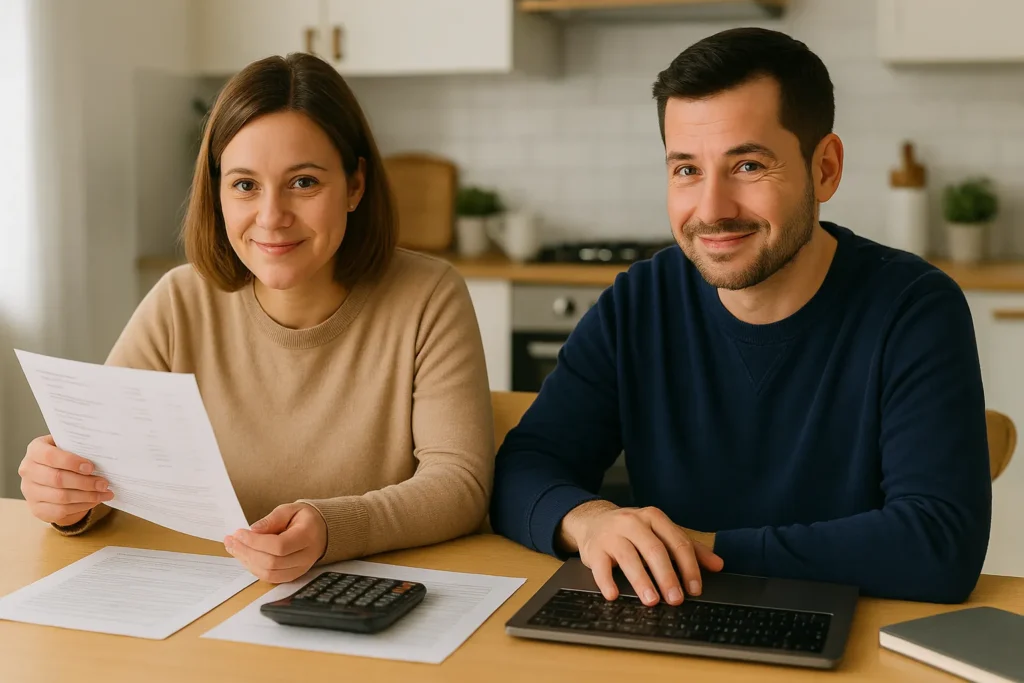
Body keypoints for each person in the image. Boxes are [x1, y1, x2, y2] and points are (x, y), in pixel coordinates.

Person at [489, 27, 991, 605]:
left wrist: (698, 549)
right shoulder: (639, 302)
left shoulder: (914, 307)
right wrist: (589, 520)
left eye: (748, 166)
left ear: (824, 168)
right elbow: (523, 467)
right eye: (686, 170)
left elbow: (938, 545)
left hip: (852, 643)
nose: (712, 210)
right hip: (667, 626)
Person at [17, 53, 495, 584]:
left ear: (355, 185)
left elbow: (460, 486)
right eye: (245, 185)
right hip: (205, 602)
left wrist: (332, 528)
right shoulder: (178, 302)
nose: (271, 217)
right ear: (218, 193)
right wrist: (67, 495)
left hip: (370, 600)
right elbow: (109, 474)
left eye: (304, 182)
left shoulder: (429, 296)